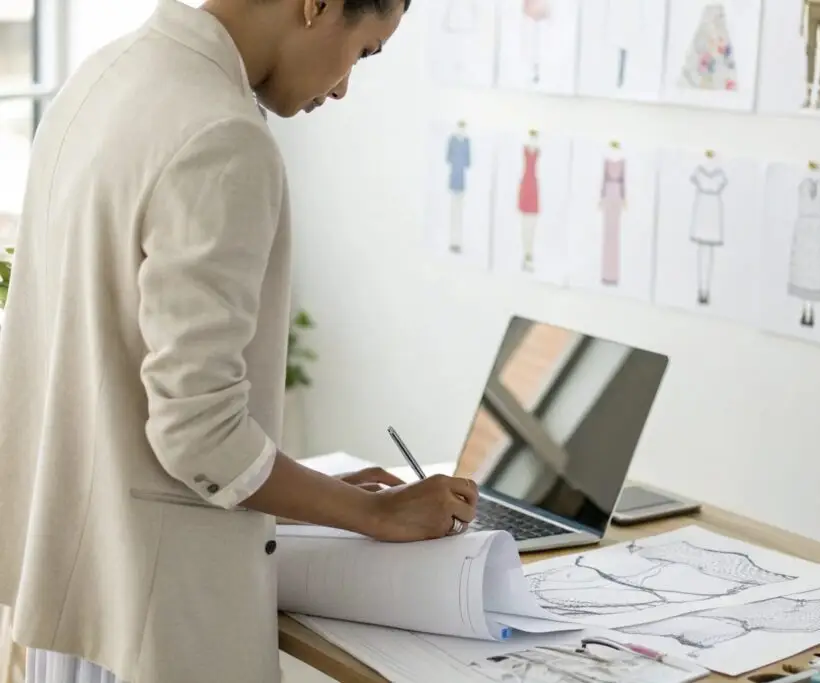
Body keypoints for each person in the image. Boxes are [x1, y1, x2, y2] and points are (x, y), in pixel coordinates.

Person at [0, 1, 479, 682]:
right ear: (316, 6)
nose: (344, 87)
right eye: (365, 52)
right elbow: (198, 432)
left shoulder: (107, 73)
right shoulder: (222, 135)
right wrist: (375, 512)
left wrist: (310, 489)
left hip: (78, 593)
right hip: (153, 615)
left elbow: (110, 364)